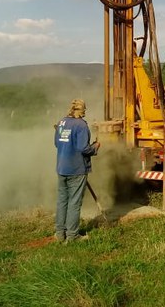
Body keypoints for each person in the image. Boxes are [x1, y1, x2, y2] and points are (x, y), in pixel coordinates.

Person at [54, 98, 100, 243]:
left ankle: (60, 234)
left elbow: (57, 143)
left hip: (62, 168)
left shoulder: (61, 122)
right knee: (74, 202)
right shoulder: (81, 125)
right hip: (76, 168)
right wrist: (95, 146)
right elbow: (83, 148)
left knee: (62, 201)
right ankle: (73, 236)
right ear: (83, 110)